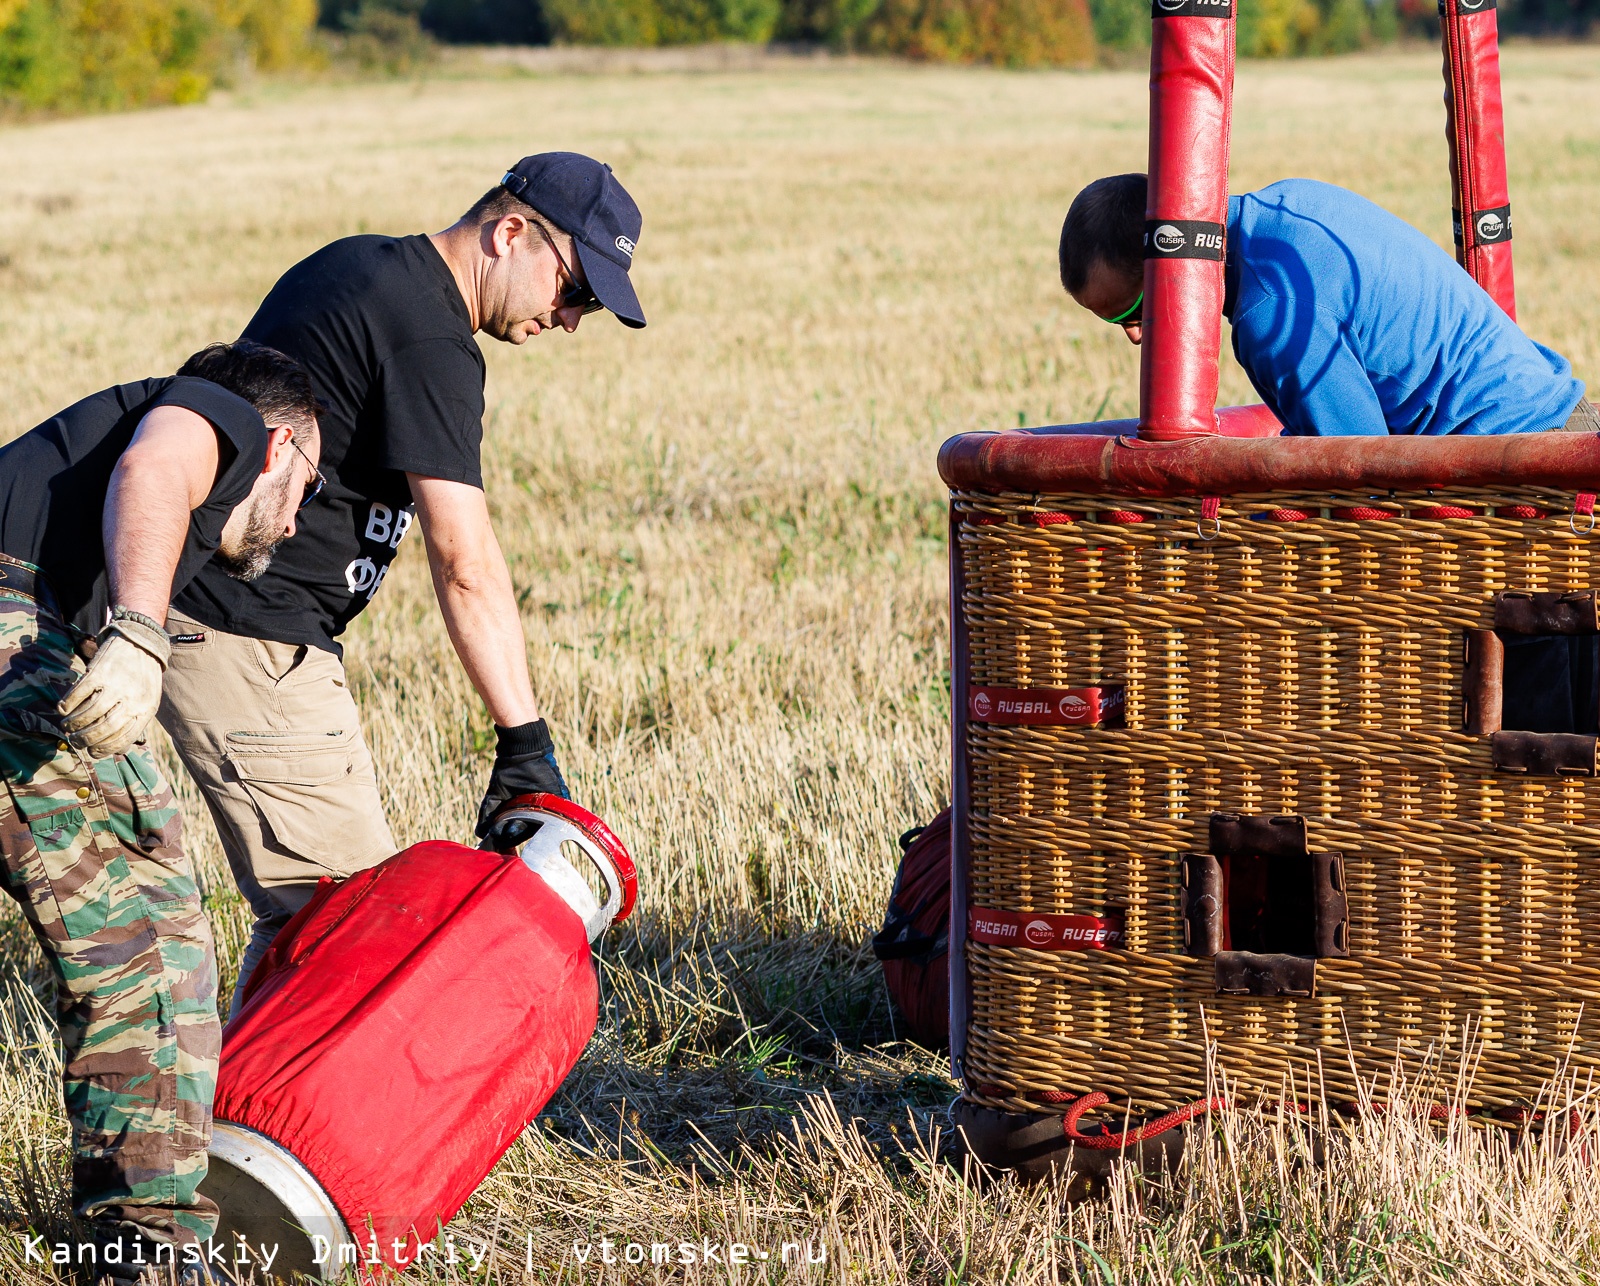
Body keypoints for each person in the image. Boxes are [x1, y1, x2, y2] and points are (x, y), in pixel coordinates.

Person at [157, 152, 647, 1012]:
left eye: (593, 309)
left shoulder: (354, 264)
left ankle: (233, 1125)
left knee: (312, 923)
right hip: (248, 631)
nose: (572, 319)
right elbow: (465, 562)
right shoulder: (431, 337)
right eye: (575, 290)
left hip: (214, 609)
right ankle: (248, 1139)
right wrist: (523, 740)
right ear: (509, 233)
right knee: (347, 925)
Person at [0, 341, 322, 1282]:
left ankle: (151, 1236)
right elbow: (156, 464)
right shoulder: (218, 414)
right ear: (280, 444)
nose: (298, 520)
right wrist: (139, 633)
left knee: (176, 949)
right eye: (310, 478)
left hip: (57, 632)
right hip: (24, 626)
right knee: (128, 951)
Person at [1059, 173, 1594, 436]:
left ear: (1173, 268)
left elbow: (1356, 476)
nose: (1133, 335)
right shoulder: (1284, 205)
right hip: (1564, 423)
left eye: (1134, 313)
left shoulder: (1272, 313)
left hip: (1525, 471)